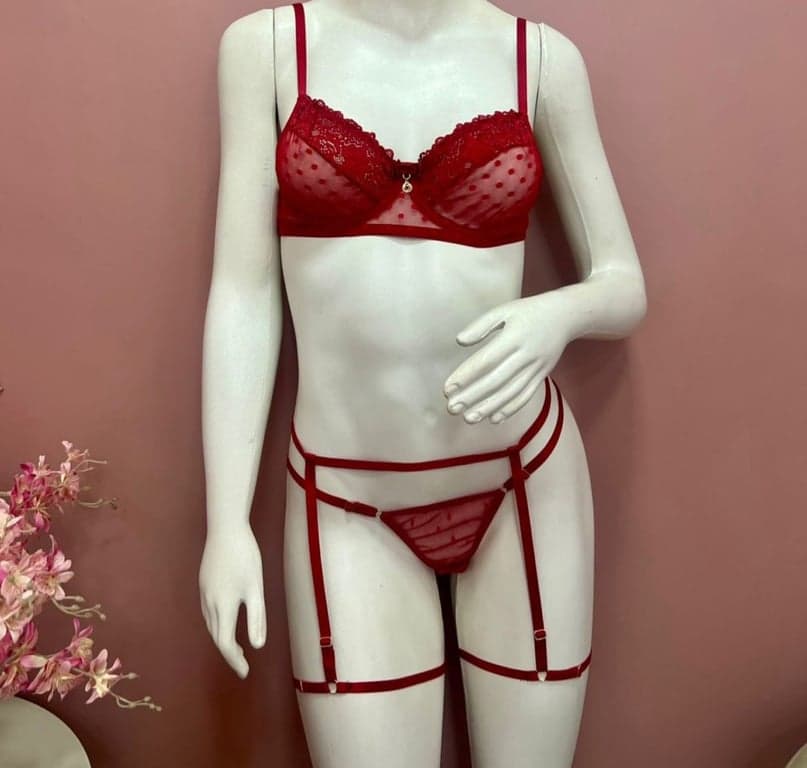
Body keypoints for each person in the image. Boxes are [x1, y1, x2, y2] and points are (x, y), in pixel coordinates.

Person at [199, 1, 647, 765]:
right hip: (345, 498)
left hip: (521, 479)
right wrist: (226, 523)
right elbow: (244, 292)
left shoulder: (539, 58)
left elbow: (622, 285)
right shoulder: (266, 48)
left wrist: (560, 313)